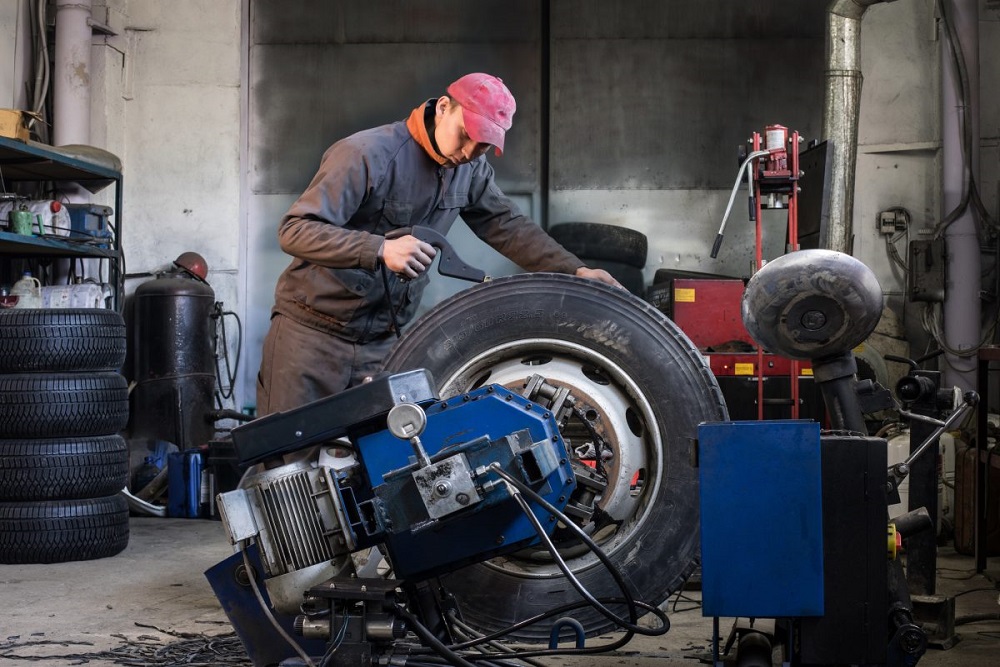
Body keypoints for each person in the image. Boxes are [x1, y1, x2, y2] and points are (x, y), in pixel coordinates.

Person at [256, 72, 622, 416]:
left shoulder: (471, 169)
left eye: (483, 145)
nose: (468, 151)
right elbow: (295, 229)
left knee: (368, 467)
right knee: (287, 466)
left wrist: (575, 270)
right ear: (444, 108)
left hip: (383, 344)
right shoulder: (366, 154)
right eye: (466, 134)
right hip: (311, 337)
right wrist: (379, 249)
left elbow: (507, 225)